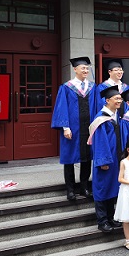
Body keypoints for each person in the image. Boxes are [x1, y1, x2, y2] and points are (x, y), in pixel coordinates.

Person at [51, 56, 96, 202]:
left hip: (88, 129)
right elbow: (61, 108)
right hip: (73, 129)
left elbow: (96, 107)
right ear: (75, 69)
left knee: (87, 158)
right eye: (83, 68)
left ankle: (84, 187)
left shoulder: (92, 87)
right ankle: (70, 190)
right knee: (69, 158)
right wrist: (65, 127)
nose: (85, 70)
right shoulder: (66, 87)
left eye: (87, 68)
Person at [88, 85, 123, 232]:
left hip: (115, 159)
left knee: (112, 188)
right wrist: (103, 161)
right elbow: (100, 142)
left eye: (120, 98)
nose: (119, 101)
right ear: (107, 100)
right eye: (116, 98)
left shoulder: (115, 115)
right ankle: (102, 221)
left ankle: (110, 218)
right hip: (105, 161)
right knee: (102, 189)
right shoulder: (101, 118)